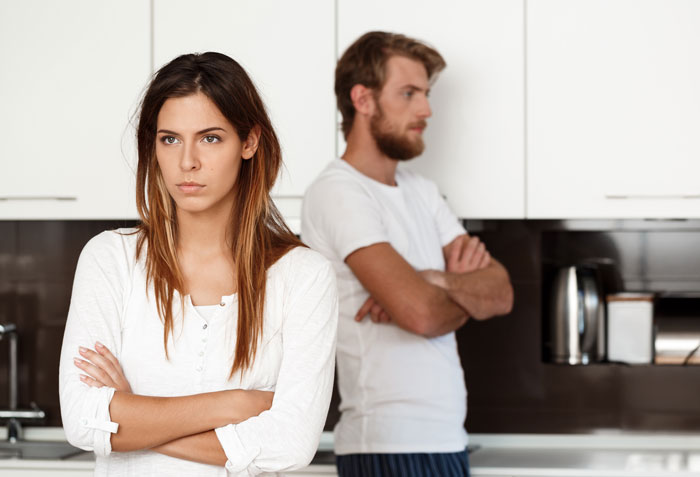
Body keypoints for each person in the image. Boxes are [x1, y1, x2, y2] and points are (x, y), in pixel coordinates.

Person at [58, 52, 338, 477]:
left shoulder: (303, 276)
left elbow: (291, 445)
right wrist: (235, 404)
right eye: (169, 139)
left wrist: (133, 417)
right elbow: (82, 421)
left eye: (210, 138)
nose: (187, 161)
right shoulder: (110, 259)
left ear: (249, 142)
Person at [301, 31, 514, 477]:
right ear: (363, 99)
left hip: (447, 442)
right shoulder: (339, 191)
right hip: (385, 446)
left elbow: (501, 293)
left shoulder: (422, 192)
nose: (427, 110)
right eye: (409, 94)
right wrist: (442, 294)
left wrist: (433, 280)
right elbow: (420, 315)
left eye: (426, 94)